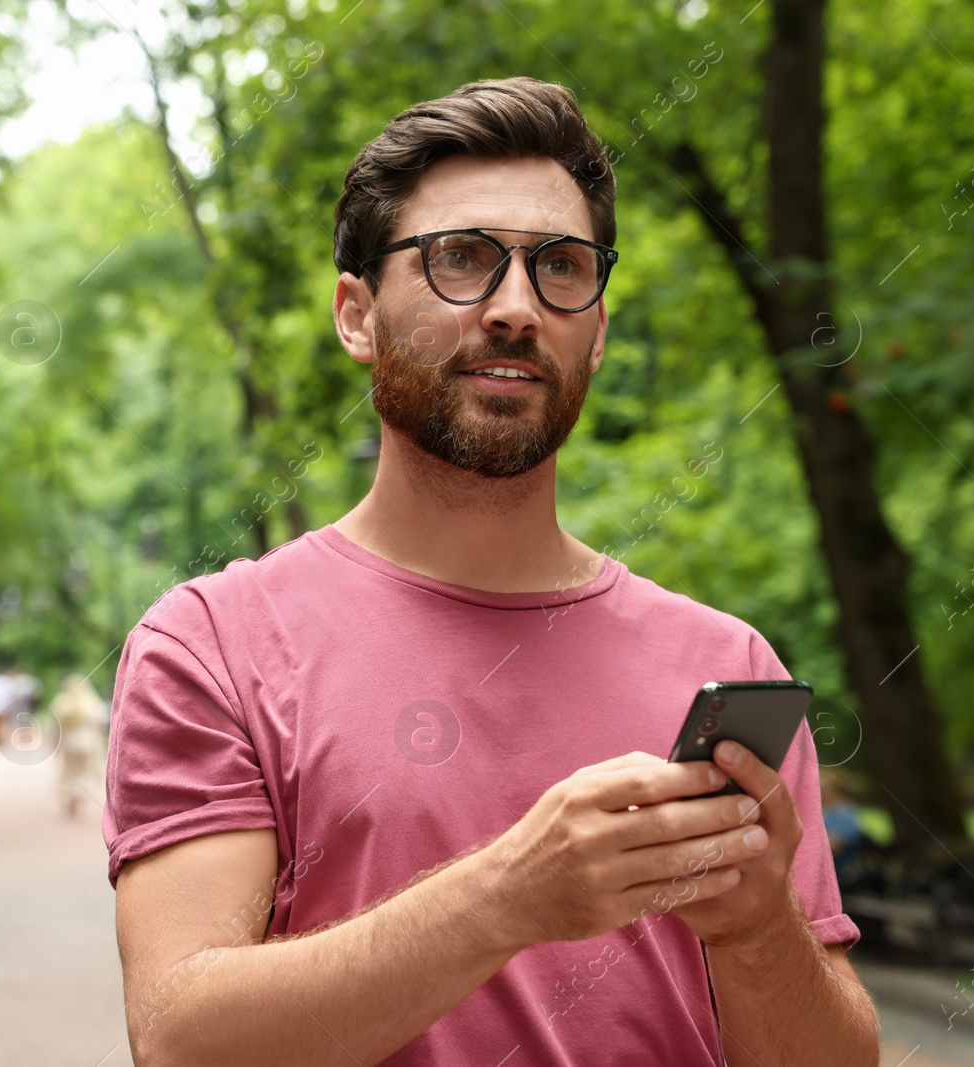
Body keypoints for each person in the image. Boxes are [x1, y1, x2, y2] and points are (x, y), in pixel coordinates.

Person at [103, 78, 877, 1066]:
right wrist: (507, 896)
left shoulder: (729, 662)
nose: (515, 308)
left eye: (560, 267)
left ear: (595, 332)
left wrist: (758, 928)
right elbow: (179, 1037)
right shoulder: (212, 644)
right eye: (460, 258)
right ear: (356, 314)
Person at [50, 673, 106, 819]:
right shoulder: (93, 703)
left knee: (69, 772)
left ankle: (70, 797)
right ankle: (78, 797)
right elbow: (100, 727)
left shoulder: (62, 703)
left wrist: (55, 748)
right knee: (84, 772)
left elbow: (56, 729)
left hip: (70, 744)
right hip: (87, 745)